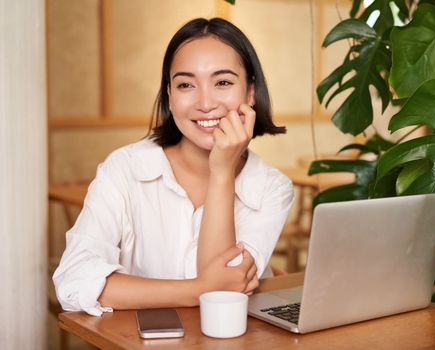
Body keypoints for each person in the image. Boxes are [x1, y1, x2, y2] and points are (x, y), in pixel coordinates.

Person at [53, 17, 294, 316]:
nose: (205, 103)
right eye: (186, 84)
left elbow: (222, 298)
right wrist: (197, 290)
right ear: (169, 94)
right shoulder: (124, 169)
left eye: (222, 82)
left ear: (249, 92)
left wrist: (221, 171)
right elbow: (74, 281)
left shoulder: (272, 187)